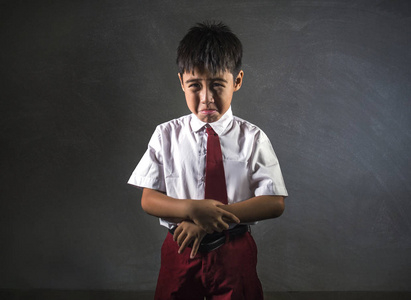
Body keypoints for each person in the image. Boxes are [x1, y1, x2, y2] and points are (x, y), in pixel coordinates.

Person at [128, 21, 288, 300]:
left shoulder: (253, 138)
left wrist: (208, 220)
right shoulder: (166, 135)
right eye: (194, 85)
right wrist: (193, 209)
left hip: (234, 250)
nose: (206, 98)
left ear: (236, 81)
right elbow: (148, 199)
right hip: (180, 247)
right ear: (181, 82)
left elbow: (274, 202)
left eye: (217, 85)